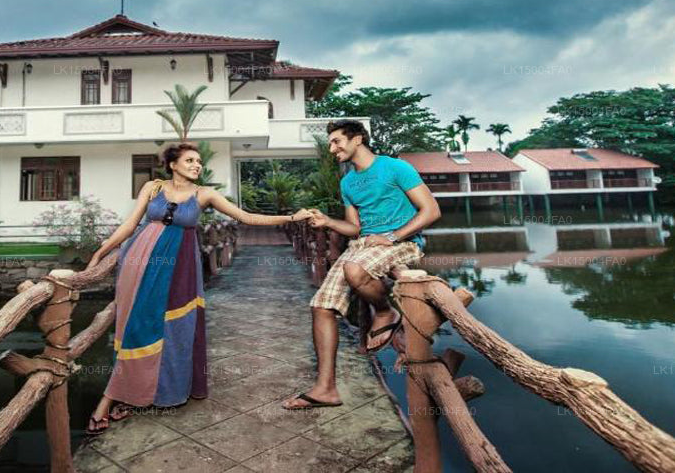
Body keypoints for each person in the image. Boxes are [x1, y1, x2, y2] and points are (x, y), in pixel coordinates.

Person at [83, 142, 311, 433]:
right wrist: (101, 252)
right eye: (190, 160)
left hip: (180, 271)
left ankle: (155, 391)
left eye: (199, 161)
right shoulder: (153, 188)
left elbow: (247, 217)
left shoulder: (205, 194)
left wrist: (292, 217)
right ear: (173, 164)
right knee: (136, 327)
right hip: (140, 266)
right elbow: (129, 225)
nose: (197, 165)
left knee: (174, 327)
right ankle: (117, 397)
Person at [282, 119, 440, 410]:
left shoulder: (395, 167)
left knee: (354, 270)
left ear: (357, 140)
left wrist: (392, 236)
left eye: (337, 141)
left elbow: (431, 210)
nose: (332, 148)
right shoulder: (348, 182)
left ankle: (384, 312)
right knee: (321, 306)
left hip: (403, 243)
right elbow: (355, 228)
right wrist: (327, 221)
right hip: (364, 245)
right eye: (330, 143)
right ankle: (325, 389)